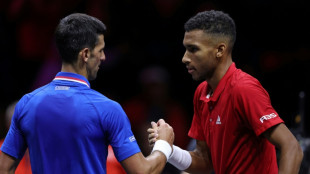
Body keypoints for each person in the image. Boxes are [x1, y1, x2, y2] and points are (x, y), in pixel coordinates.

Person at [0, 13, 174, 174]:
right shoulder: (108, 109)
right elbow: (143, 171)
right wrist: (164, 145)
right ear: (85, 54)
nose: (104, 57)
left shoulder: (26, 104)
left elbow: (4, 169)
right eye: (101, 50)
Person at [148, 10, 303, 174]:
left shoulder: (244, 89)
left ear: (220, 50)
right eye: (186, 49)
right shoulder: (201, 93)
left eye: (193, 49)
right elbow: (204, 162)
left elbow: (292, 147)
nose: (185, 58)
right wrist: (168, 149)